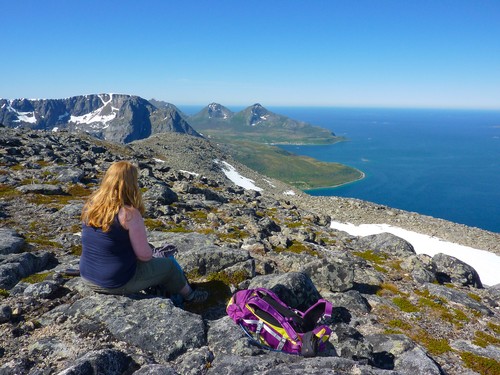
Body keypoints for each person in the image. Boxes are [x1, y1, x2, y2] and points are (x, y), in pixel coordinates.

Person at [80, 160, 208, 303]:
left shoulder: (92, 206)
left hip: (87, 276)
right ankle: (190, 296)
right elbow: (145, 256)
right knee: (170, 266)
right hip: (115, 282)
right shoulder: (129, 214)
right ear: (131, 184)